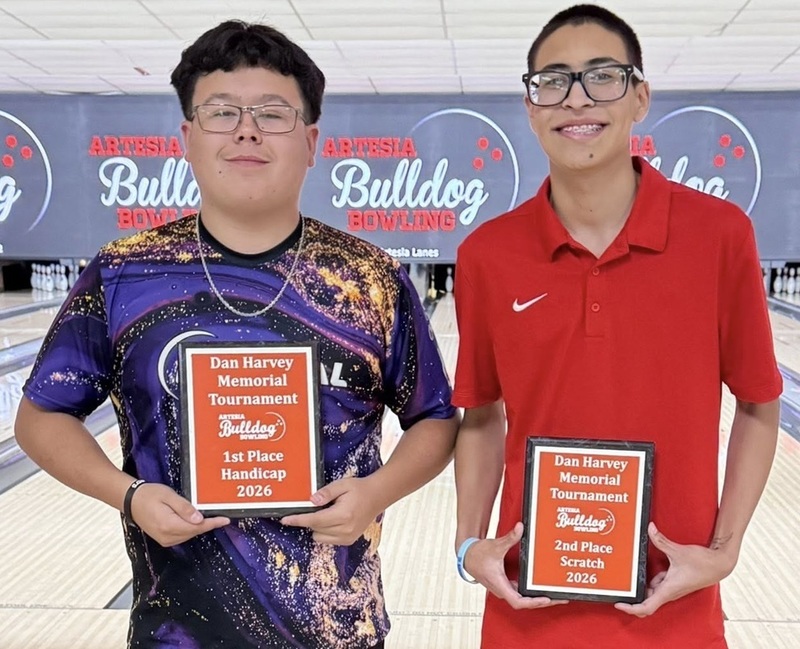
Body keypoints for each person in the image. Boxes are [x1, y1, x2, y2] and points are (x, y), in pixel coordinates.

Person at [15, 20, 458, 649]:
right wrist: (130, 495)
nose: (246, 130)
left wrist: (374, 494)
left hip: (338, 630)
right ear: (188, 139)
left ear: (311, 142)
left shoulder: (371, 278)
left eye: (272, 114)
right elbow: (40, 418)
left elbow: (436, 419)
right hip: (174, 630)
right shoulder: (123, 273)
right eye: (222, 112)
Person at [451, 4, 781, 649]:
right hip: (527, 610)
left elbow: (759, 404)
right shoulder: (487, 254)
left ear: (640, 98)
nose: (576, 98)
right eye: (553, 80)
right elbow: (482, 414)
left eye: (602, 76)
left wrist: (724, 551)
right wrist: (470, 544)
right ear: (531, 105)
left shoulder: (719, 237)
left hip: (675, 613)